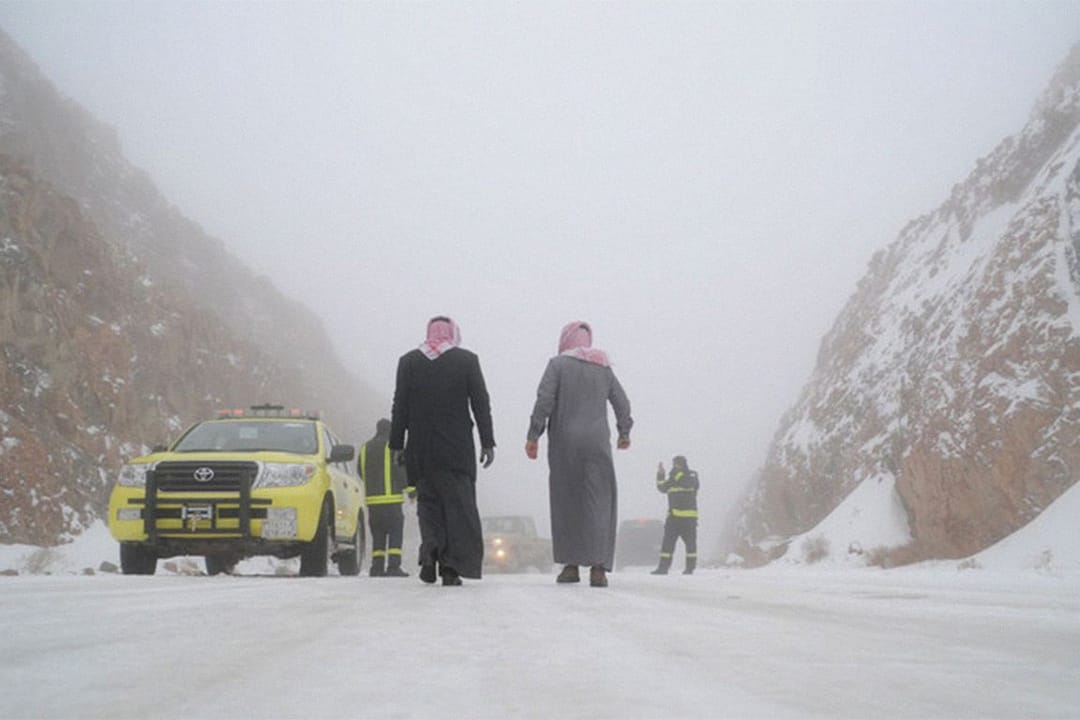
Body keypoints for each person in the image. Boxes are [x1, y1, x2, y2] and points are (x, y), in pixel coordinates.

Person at [525, 321, 632, 588]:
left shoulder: (558, 365)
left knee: (566, 501)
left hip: (565, 443)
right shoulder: (603, 367)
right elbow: (622, 402)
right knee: (599, 502)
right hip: (597, 443)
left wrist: (533, 435)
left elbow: (544, 400)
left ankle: (571, 567)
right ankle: (598, 569)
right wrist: (624, 431)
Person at [390, 316, 495, 587]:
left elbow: (400, 405)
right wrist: (487, 441)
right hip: (455, 449)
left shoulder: (409, 362)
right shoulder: (466, 361)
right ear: (452, 333)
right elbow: (480, 403)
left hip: (421, 450)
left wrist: (396, 444)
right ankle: (450, 567)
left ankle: (430, 551)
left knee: (428, 505)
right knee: (457, 509)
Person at [359, 418, 415, 577]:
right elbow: (402, 471)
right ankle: (393, 566)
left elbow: (360, 471)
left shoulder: (365, 448)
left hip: (373, 503)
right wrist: (411, 491)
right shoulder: (394, 447)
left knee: (378, 534)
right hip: (392, 502)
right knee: (395, 533)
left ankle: (376, 567)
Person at [652, 455, 699, 575]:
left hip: (687, 518)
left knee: (690, 545)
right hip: (674, 517)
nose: (675, 466)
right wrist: (661, 474)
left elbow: (689, 483)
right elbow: (662, 487)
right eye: (674, 464)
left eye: (677, 464)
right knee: (667, 544)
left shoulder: (691, 476)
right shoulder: (673, 478)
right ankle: (663, 568)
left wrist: (675, 474)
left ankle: (690, 568)